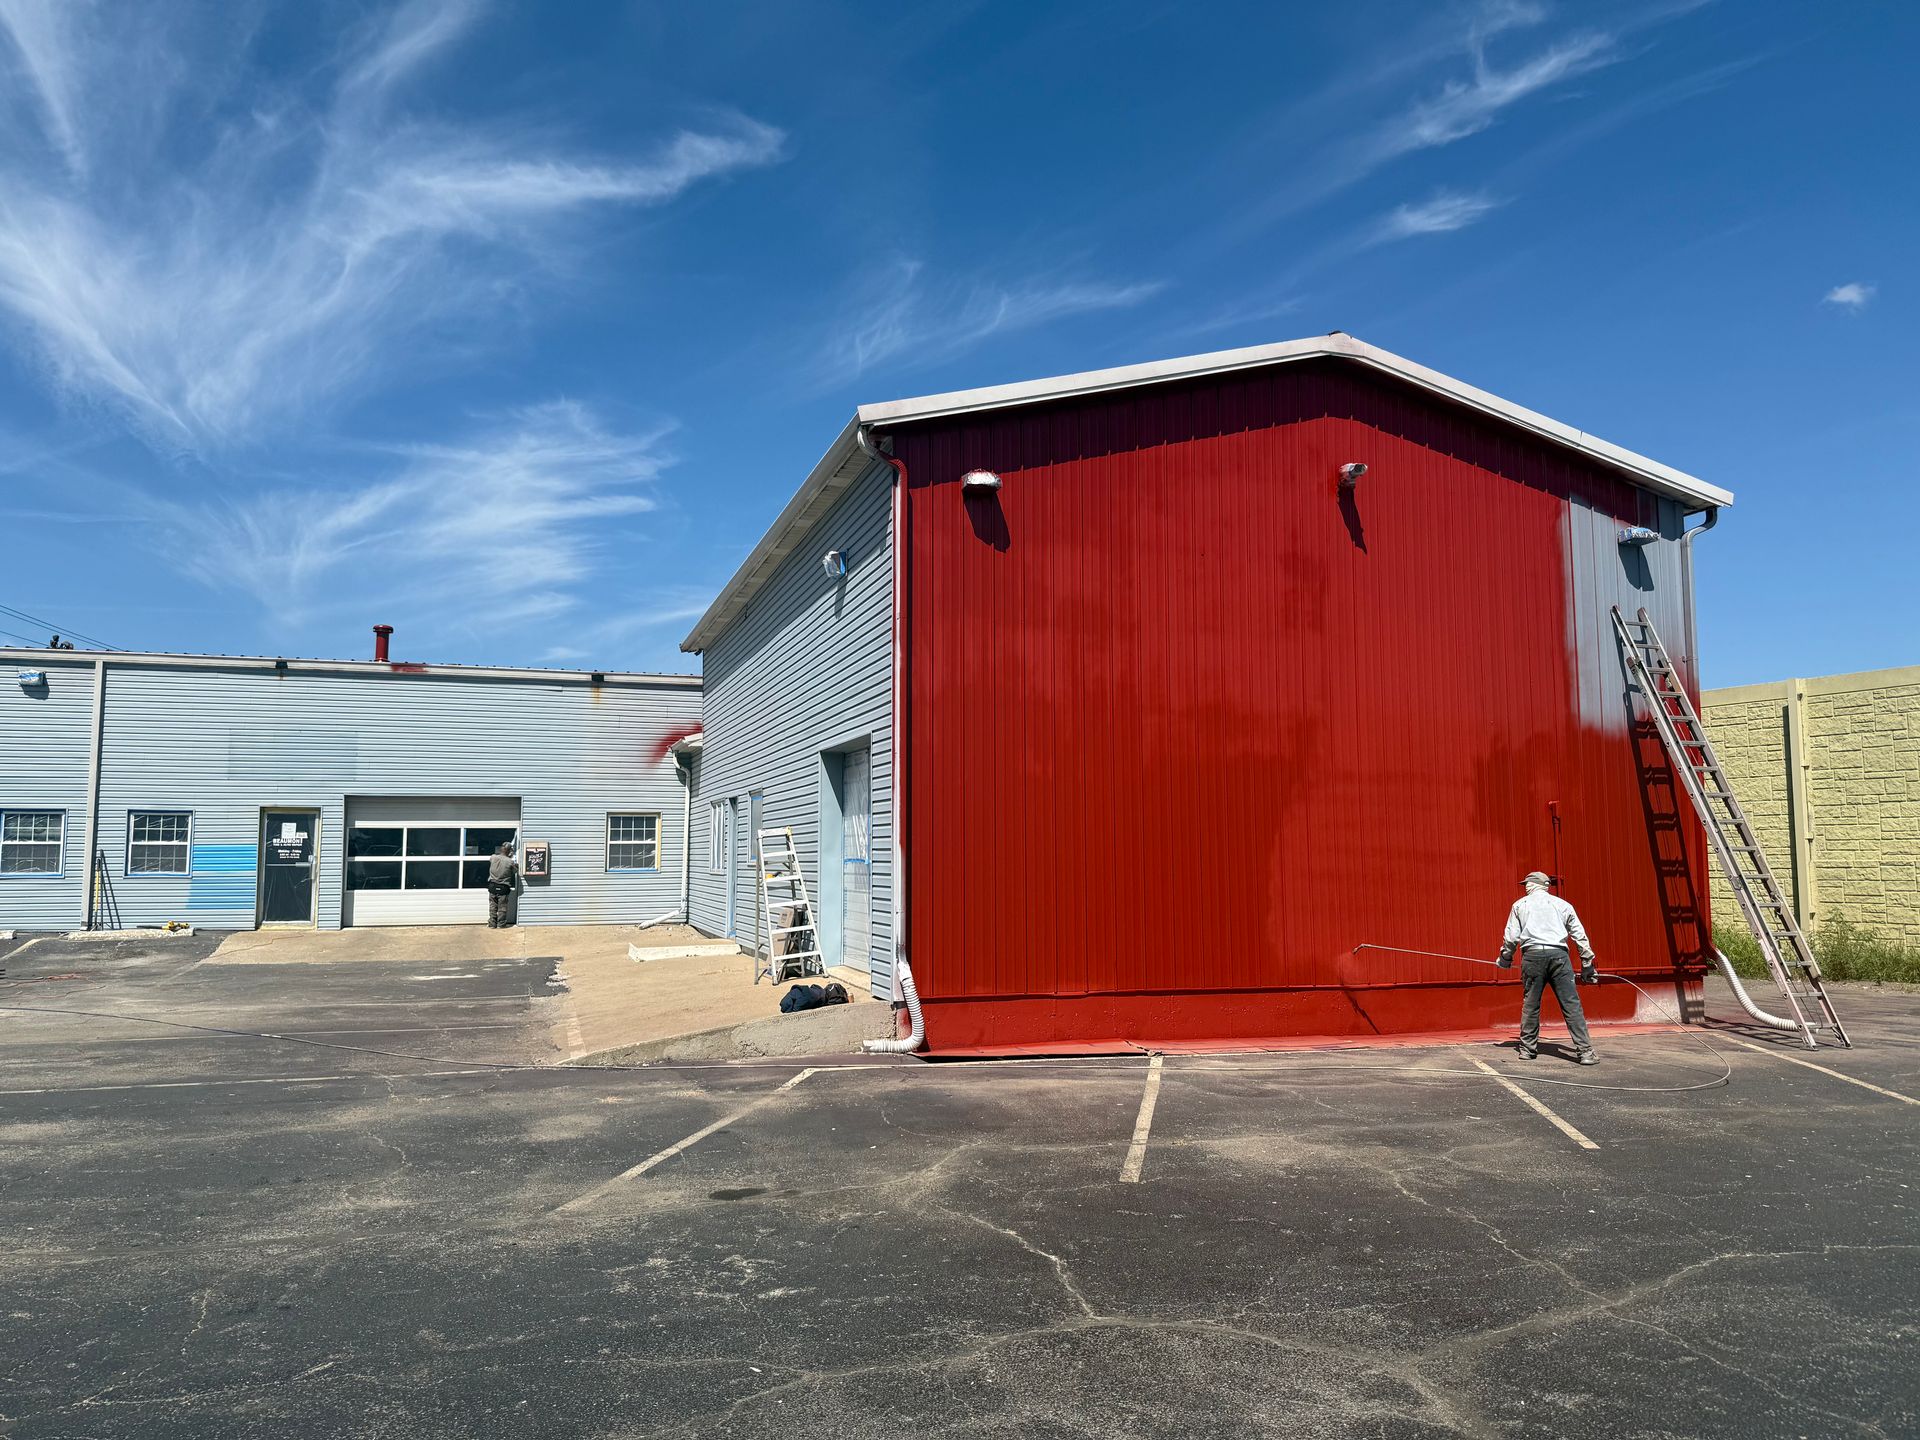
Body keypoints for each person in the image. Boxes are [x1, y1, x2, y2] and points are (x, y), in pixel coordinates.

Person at [1496, 871, 1599, 1065]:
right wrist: (1587, 964)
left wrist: (1505, 959)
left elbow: (1511, 937)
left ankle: (1527, 1050)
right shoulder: (1563, 905)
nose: (1525, 886)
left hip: (1532, 956)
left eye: (1527, 883)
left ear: (1536, 884)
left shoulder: (1520, 905)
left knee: (1531, 1004)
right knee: (1571, 1004)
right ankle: (1585, 1052)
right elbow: (1579, 935)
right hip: (1559, 956)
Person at [486, 841, 519, 928]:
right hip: (503, 887)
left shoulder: (493, 857)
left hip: (492, 886)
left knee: (493, 906)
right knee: (502, 908)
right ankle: (501, 924)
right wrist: (512, 859)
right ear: (509, 851)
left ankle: (492, 924)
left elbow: (495, 859)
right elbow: (515, 871)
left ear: (501, 849)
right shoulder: (510, 862)